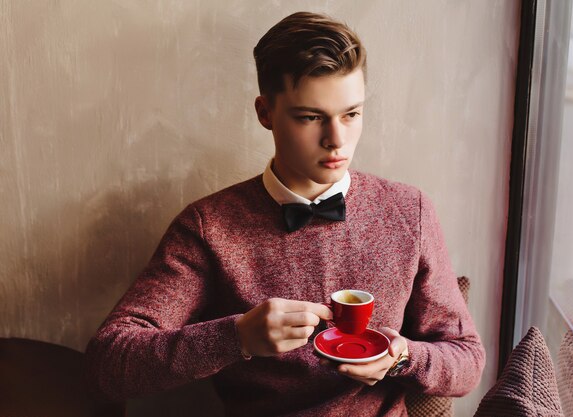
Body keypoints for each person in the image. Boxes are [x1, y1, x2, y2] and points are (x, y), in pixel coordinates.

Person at [85, 11, 485, 416]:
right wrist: (236, 337)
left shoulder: (408, 211)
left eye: (351, 114)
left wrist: (402, 358)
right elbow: (109, 365)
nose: (336, 140)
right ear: (265, 113)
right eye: (311, 117)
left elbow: (468, 361)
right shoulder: (208, 227)